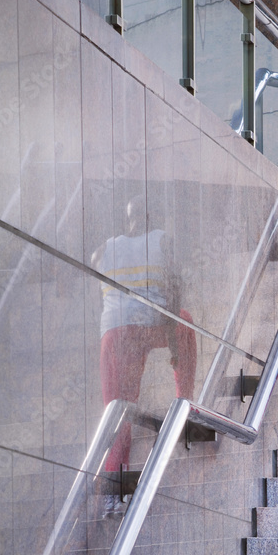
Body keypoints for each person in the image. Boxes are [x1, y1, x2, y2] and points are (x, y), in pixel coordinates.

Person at [93, 196, 197, 517]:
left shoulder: (104, 249)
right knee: (186, 325)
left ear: (128, 221)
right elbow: (176, 289)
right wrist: (174, 343)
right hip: (150, 326)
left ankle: (112, 492)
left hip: (115, 335)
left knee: (119, 408)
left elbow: (96, 267)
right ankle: (184, 405)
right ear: (151, 217)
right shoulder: (163, 240)